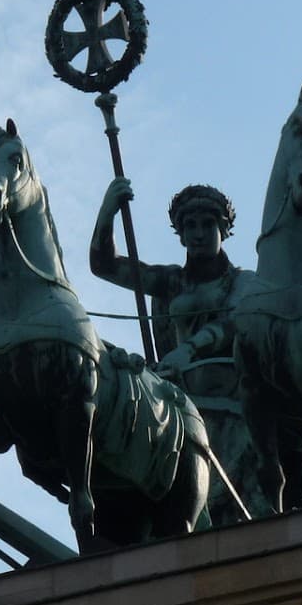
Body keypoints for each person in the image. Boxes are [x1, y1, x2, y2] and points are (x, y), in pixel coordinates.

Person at [90, 179, 266, 522]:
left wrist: (188, 349)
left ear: (223, 230)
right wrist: (107, 211)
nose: (199, 233)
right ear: (181, 235)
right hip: (178, 392)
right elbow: (105, 265)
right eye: (190, 226)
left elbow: (234, 324)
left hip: (233, 391)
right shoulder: (170, 280)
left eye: (207, 225)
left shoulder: (246, 282)